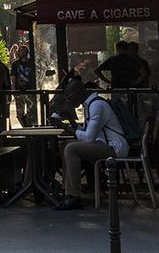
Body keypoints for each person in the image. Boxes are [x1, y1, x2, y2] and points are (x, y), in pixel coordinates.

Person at [53, 77, 133, 210]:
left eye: (69, 96)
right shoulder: (90, 104)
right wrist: (71, 120)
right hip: (103, 144)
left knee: (71, 148)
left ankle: (74, 197)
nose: (68, 100)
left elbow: (89, 138)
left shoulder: (97, 106)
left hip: (114, 147)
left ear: (78, 93)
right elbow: (85, 132)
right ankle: (67, 191)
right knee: (65, 145)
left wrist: (64, 126)